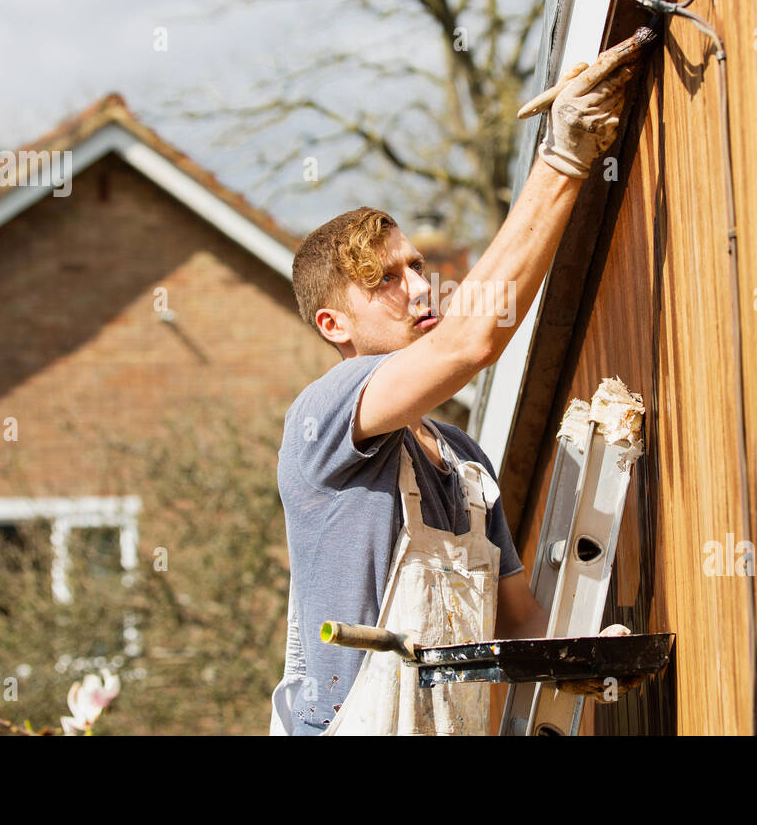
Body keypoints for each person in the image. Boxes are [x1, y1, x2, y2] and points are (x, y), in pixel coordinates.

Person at [270, 43, 640, 735]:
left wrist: (582, 656)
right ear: (333, 324)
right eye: (384, 280)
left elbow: (520, 622)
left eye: (415, 266)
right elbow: (472, 342)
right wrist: (562, 160)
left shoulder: (465, 465)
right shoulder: (325, 417)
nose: (417, 288)